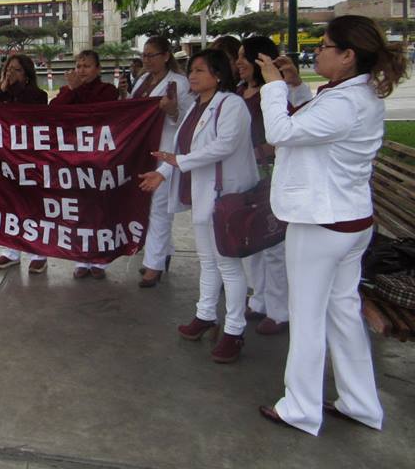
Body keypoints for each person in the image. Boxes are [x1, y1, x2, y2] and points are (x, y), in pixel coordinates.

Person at [255, 15, 405, 435]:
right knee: (342, 312)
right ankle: (360, 403)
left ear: (348, 55)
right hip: (349, 221)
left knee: (308, 316)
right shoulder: (354, 95)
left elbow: (281, 131)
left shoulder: (345, 102)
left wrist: (271, 86)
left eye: (323, 46)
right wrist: (295, 86)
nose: (316, 52)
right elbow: (313, 124)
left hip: (322, 223)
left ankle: (300, 408)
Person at [139, 49, 258, 363]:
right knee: (208, 262)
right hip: (203, 194)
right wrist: (163, 173)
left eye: (201, 71)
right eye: (191, 70)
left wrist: (180, 162)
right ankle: (205, 314)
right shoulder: (195, 107)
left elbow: (224, 144)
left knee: (228, 267)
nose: (192, 76)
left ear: (218, 74)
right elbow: (180, 148)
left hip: (226, 196)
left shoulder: (232, 104)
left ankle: (234, 330)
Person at [235, 36, 313, 335]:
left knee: (273, 246)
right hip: (246, 177)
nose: (239, 62)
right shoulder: (241, 91)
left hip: (272, 177)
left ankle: (280, 310)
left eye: (245, 56)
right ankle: (260, 299)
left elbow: (294, 126)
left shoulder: (275, 92)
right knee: (251, 242)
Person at [119, 37, 193, 288]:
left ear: (166, 55)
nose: (147, 60)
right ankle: (163, 252)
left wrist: (171, 111)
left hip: (166, 149)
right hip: (143, 150)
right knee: (148, 204)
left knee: (159, 207)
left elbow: (187, 121)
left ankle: (154, 265)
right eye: (145, 55)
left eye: (152, 55)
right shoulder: (141, 80)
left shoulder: (179, 83)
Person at [51, 50, 120, 279]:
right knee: (78, 210)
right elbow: (53, 111)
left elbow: (97, 112)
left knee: (100, 210)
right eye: (78, 66)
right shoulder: (67, 90)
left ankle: (99, 261)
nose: (81, 70)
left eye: (87, 66)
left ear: (98, 69)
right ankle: (81, 259)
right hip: (74, 160)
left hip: (100, 160)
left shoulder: (108, 91)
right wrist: (71, 90)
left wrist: (78, 91)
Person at [0, 54, 51, 274]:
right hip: (5, 160)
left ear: (27, 74)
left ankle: (38, 253)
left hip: (30, 159)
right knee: (9, 204)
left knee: (32, 204)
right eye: (9, 69)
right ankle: (12, 250)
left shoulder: (38, 96)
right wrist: (2, 90)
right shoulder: (2, 95)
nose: (11, 73)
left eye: (17, 70)